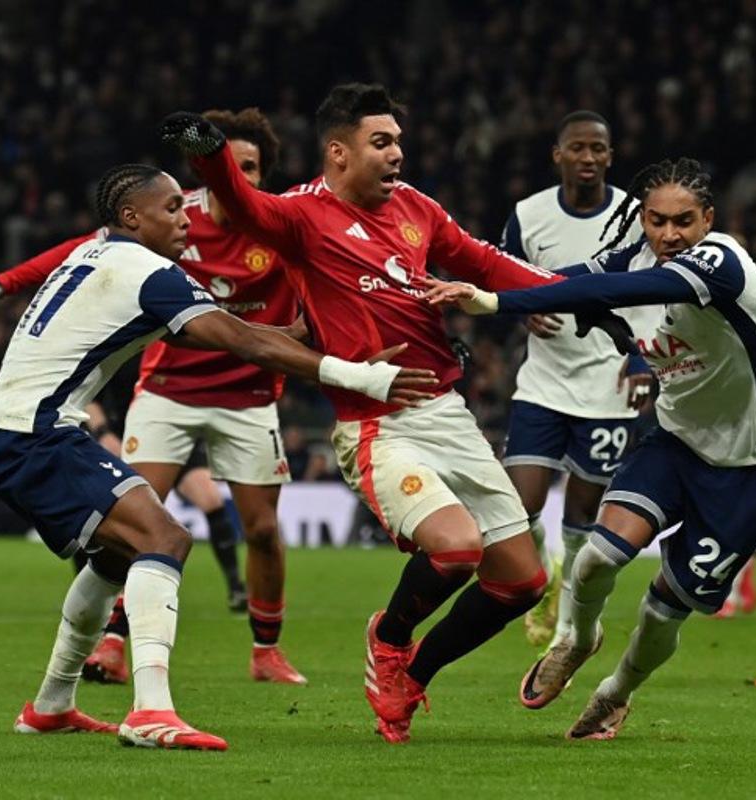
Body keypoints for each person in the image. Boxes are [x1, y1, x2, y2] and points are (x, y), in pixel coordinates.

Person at [163, 84, 638, 744]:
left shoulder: (417, 208)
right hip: (377, 425)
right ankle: (387, 639)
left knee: (523, 580)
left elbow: (489, 264)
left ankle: (414, 674)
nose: (397, 155)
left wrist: (596, 298)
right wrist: (203, 146)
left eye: (399, 143)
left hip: (447, 411)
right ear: (339, 153)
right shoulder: (301, 216)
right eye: (381, 143)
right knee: (455, 548)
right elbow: (240, 201)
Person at [0, 163, 435, 750]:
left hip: (6, 428)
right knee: (165, 539)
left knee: (115, 557)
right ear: (131, 217)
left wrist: (303, 333)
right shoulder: (146, 269)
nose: (185, 220)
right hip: (32, 434)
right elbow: (240, 339)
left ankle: (52, 705)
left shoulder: (97, 256)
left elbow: (212, 333)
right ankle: (151, 712)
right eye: (171, 210)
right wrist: (358, 375)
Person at [426, 157, 756, 740]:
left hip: (755, 463)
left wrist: (496, 304)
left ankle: (616, 692)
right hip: (678, 441)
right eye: (657, 221)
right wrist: (466, 275)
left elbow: (610, 288)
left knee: (663, 605)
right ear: (643, 219)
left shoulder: (721, 263)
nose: (670, 235)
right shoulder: (635, 256)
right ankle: (578, 638)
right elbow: (558, 283)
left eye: (684, 221)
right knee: (598, 556)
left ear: (708, 218)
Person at [0, 109, 312, 685]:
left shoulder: (278, 228)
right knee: (144, 529)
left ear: (263, 175)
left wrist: (318, 336)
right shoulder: (171, 221)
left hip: (246, 393)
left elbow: (311, 295)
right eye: (229, 165)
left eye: (250, 169)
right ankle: (124, 659)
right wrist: (6, 283)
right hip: (167, 388)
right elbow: (83, 246)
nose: (237, 178)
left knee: (261, 529)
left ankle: (264, 650)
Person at [499, 110, 654, 648]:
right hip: (542, 382)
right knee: (520, 507)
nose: (588, 158)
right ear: (558, 155)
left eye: (598, 150)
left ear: (610, 157)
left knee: (583, 512)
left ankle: (567, 621)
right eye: (578, 149)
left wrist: (641, 357)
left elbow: (654, 287)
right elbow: (505, 277)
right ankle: (545, 582)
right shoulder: (528, 214)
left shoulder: (637, 216)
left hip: (607, 387)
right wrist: (521, 312)